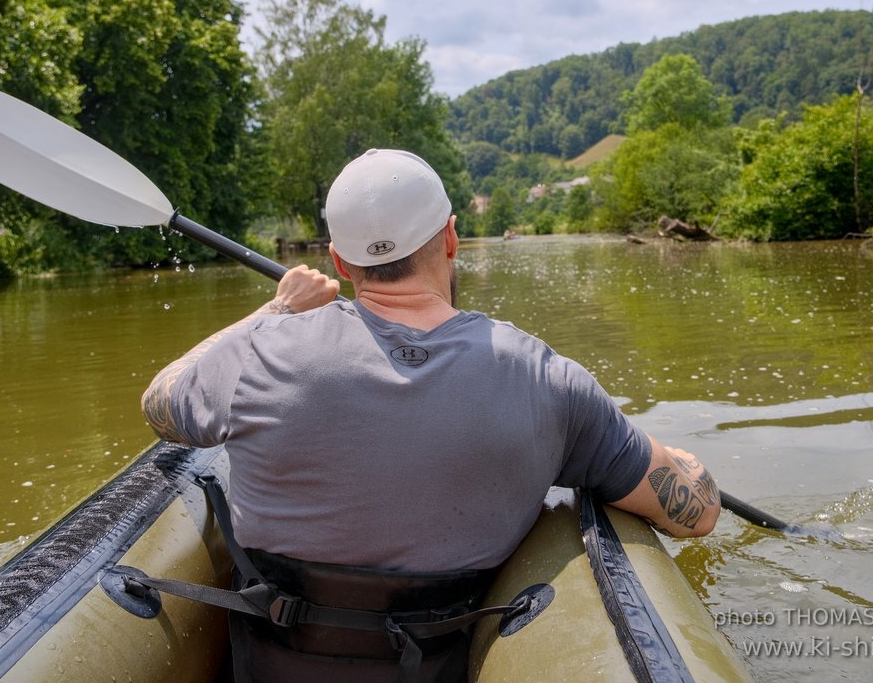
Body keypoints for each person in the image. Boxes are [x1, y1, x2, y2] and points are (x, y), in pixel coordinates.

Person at [141, 148, 720, 682]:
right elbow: (697, 514)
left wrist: (275, 311)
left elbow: (161, 403)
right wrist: (687, 462)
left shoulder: (260, 353)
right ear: (450, 239)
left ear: (341, 263)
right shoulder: (547, 380)